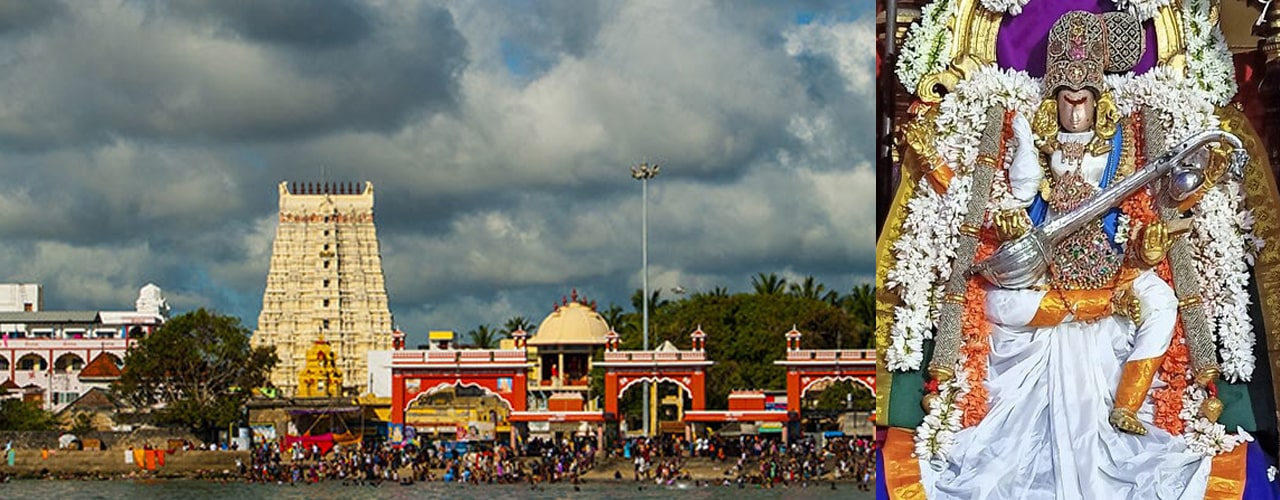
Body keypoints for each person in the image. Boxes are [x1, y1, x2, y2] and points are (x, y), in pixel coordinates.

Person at [922, 11, 1212, 499]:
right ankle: (1095, 311)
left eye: (1083, 103)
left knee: (1161, 301)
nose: (1075, 114)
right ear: (1053, 101)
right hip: (1052, 271)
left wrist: (1147, 245)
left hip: (1112, 266)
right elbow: (1023, 194)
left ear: (1099, 104)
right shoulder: (1040, 143)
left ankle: (1127, 401)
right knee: (996, 305)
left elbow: (1138, 218)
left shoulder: (1122, 144)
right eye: (1066, 103)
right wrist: (1013, 215)